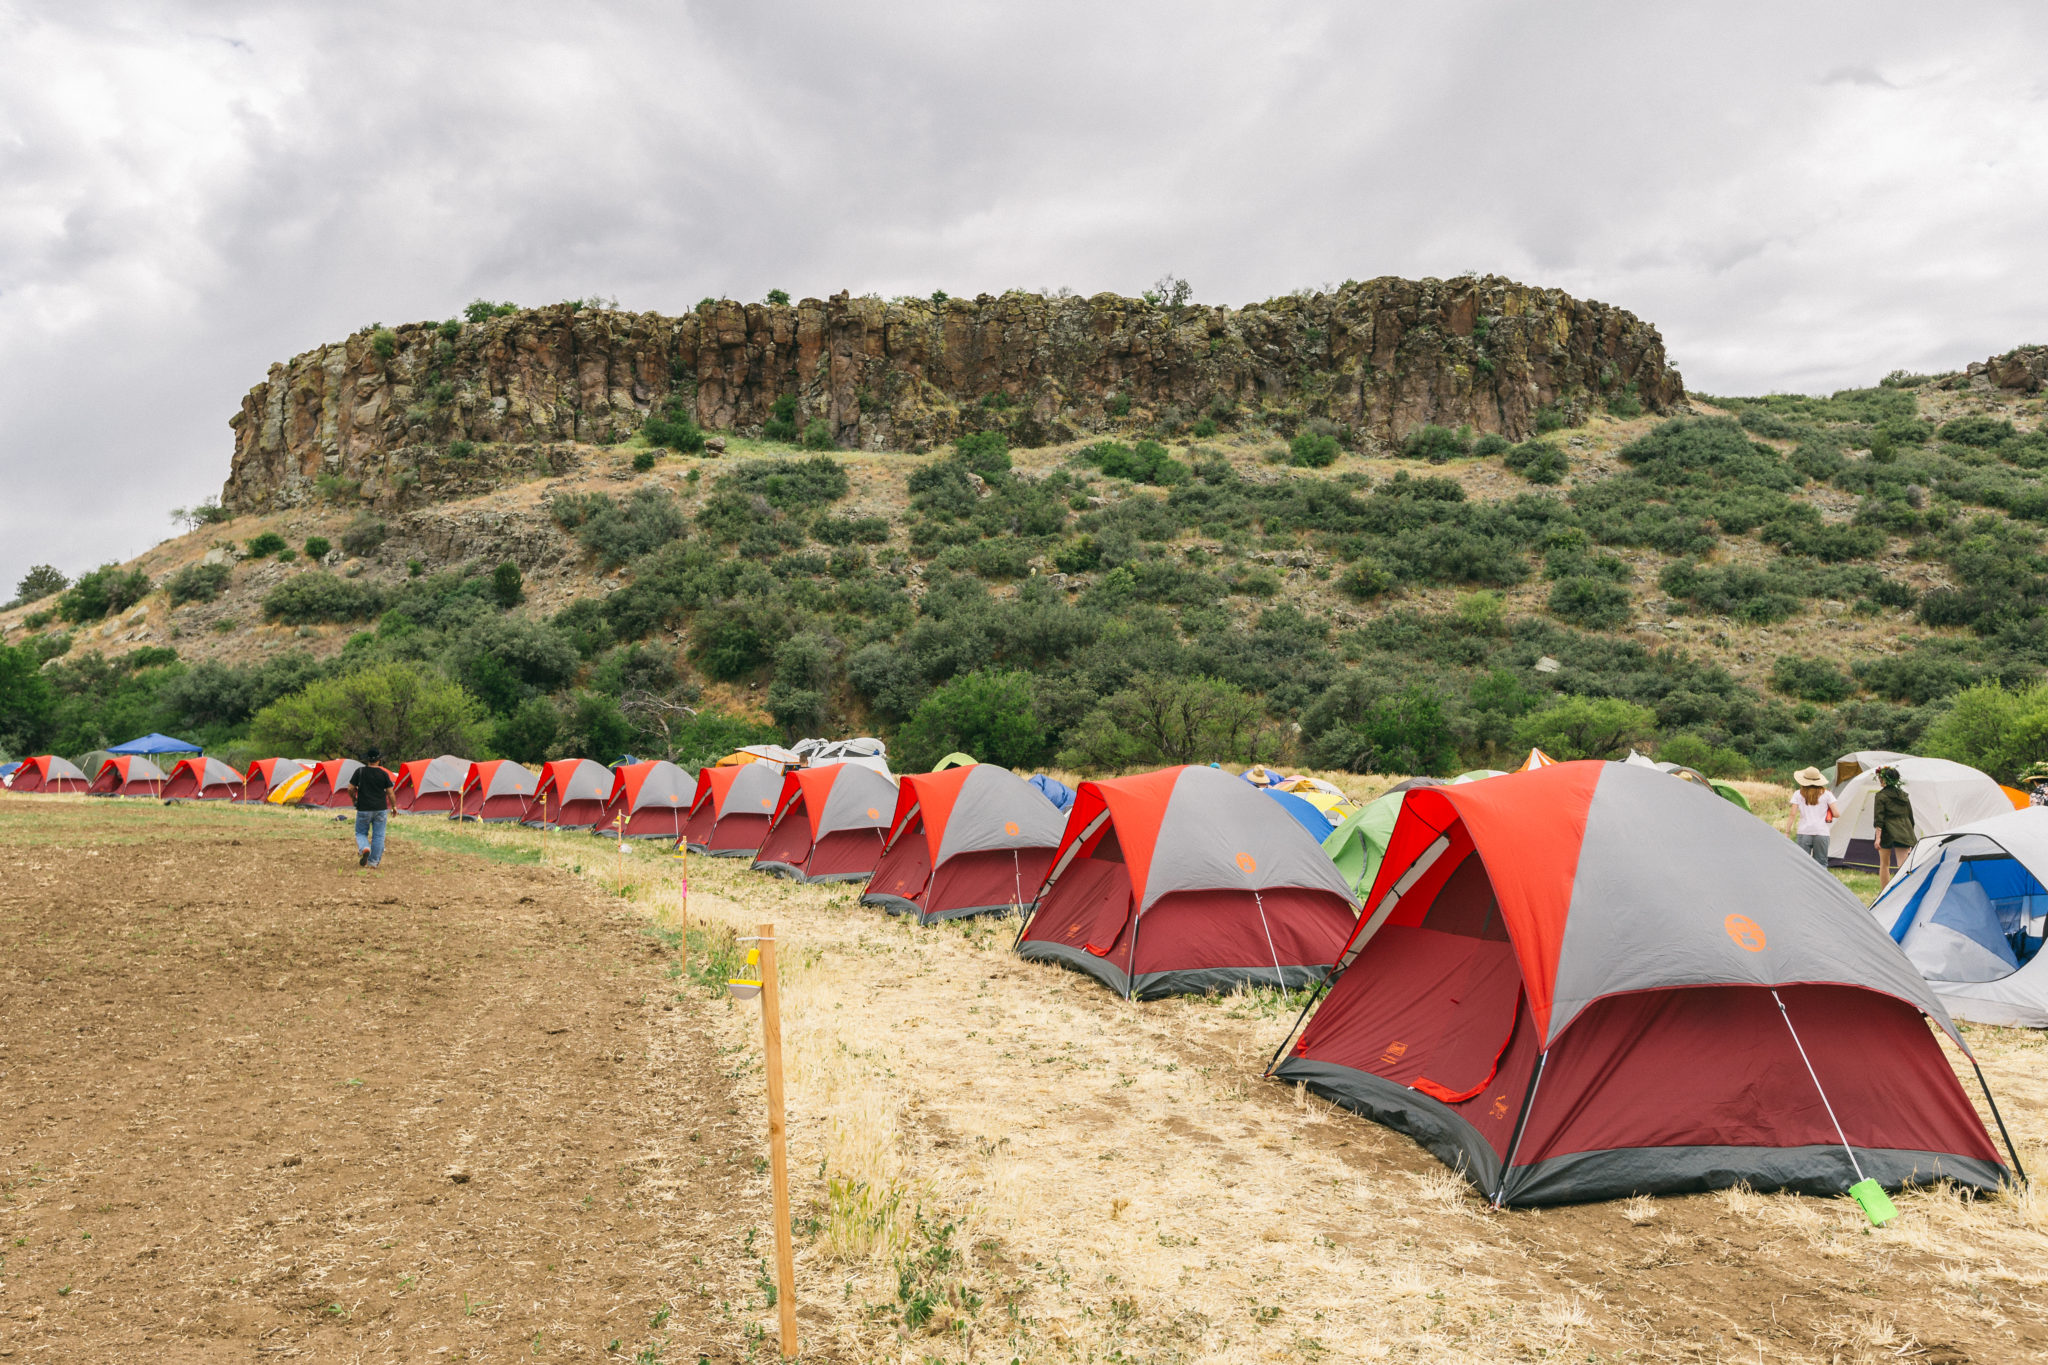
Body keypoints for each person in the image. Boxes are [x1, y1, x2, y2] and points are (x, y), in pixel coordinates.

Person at [348, 750, 395, 869]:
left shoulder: (360, 771)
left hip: (363, 808)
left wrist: (354, 799)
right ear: (379, 760)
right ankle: (373, 862)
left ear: (367, 760)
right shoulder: (383, 774)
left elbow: (350, 788)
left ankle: (364, 848)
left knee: (360, 832)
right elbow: (390, 793)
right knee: (378, 836)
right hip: (380, 809)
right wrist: (394, 806)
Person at [1783, 766, 1837, 870]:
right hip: (1821, 832)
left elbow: (1792, 814)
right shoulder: (1827, 794)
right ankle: (1821, 885)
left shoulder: (1798, 794)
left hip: (1804, 832)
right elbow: (1836, 813)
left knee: (1802, 864)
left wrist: (1787, 832)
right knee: (1821, 864)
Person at [1873, 764, 1916, 889]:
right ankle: (1903, 891)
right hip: (1904, 830)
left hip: (1887, 831)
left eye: (1881, 778)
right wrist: (1909, 835)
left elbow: (1879, 818)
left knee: (1884, 864)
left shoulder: (1881, 796)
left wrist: (1878, 838)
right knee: (1903, 865)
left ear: (1885, 779)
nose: (1880, 781)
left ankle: (1885, 892)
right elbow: (1910, 817)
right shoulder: (1904, 795)